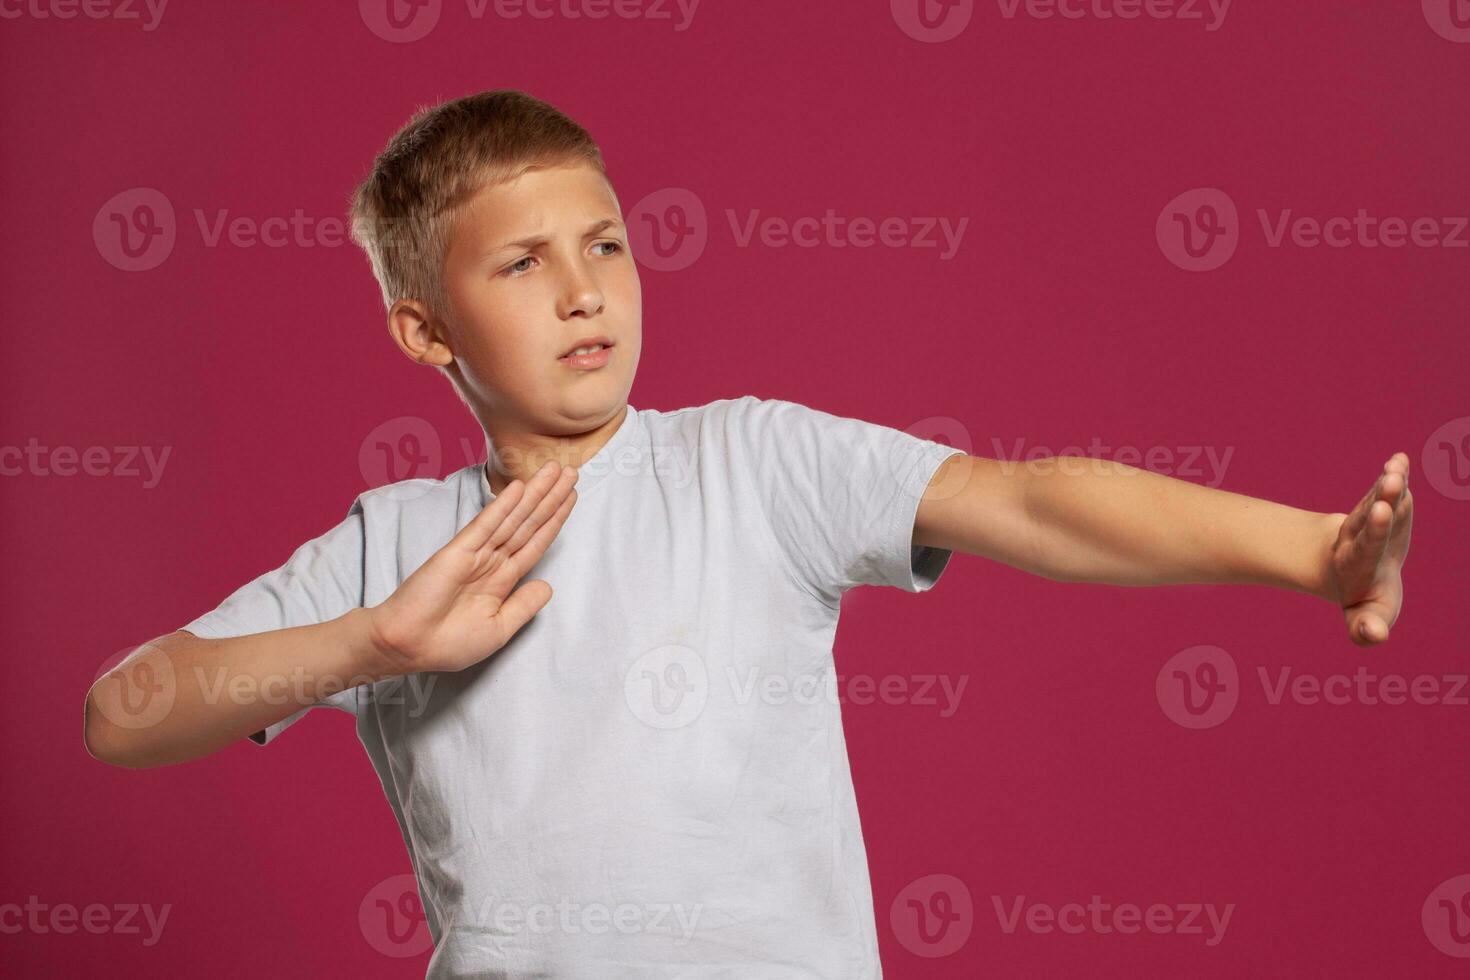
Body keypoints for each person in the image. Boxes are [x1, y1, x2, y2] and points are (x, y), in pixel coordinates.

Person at [82, 89, 1414, 979]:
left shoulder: (751, 461)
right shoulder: (400, 543)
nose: (581, 290)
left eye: (602, 244)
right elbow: (125, 715)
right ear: (424, 330)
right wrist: (373, 639)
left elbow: (1025, 496)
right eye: (519, 263)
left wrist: (1308, 551)